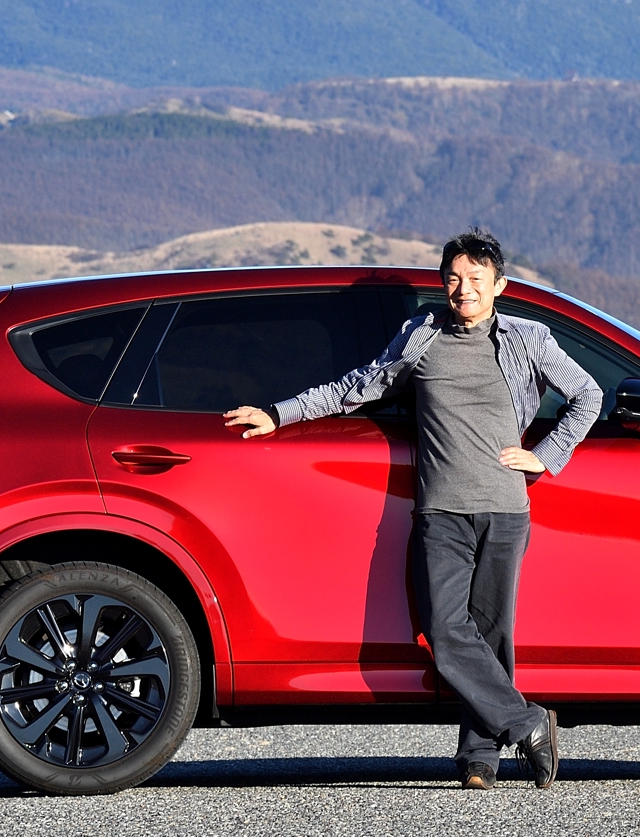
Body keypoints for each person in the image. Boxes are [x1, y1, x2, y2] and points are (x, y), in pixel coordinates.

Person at [223, 228, 602, 790]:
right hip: (440, 512)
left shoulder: (530, 339)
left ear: (499, 285)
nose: (464, 288)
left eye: (476, 278)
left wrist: (545, 456)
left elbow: (588, 395)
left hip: (504, 511)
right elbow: (355, 387)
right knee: (445, 633)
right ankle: (528, 723)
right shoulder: (421, 338)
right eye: (453, 278)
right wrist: (279, 413)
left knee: (493, 635)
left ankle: (480, 758)